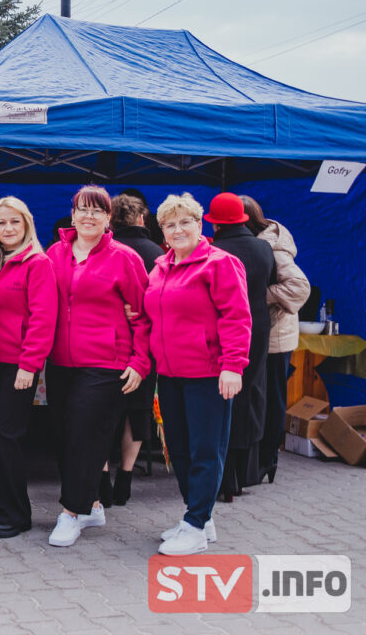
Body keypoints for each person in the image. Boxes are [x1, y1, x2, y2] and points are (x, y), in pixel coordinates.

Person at [44, 185, 150, 548]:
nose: (88, 216)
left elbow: (143, 315)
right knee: (62, 435)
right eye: (82, 210)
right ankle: (91, 505)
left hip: (106, 364)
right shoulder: (54, 254)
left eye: (97, 211)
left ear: (108, 219)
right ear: (72, 215)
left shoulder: (125, 258)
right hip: (60, 362)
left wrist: (139, 361)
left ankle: (70, 514)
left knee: (84, 437)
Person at [145, 192, 251, 555]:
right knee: (180, 448)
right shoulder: (160, 266)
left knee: (207, 448)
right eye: (170, 224)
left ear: (200, 223)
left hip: (208, 373)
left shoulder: (220, 263)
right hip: (170, 373)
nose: (178, 230)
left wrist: (233, 366)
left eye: (185, 222)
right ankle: (200, 517)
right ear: (162, 230)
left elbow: (236, 317)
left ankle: (194, 524)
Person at [0, 197, 57, 538]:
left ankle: (16, 513)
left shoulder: (36, 263)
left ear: (26, 224)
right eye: (1, 223)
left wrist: (30, 365)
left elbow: (43, 319)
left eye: (15, 222)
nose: (8, 229)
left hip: (19, 364)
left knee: (5, 435)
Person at [208, 192, 276, 502]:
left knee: (221, 397)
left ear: (216, 223)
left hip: (223, 328)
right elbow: (271, 282)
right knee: (250, 396)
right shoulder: (263, 248)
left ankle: (223, 477)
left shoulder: (213, 251)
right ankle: (244, 474)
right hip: (258, 328)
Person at [240, 195, 310, 485]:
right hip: (266, 334)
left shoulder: (272, 246)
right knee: (264, 398)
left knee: (270, 399)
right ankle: (264, 460)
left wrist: (259, 297)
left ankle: (268, 459)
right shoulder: (263, 241)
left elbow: (299, 286)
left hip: (275, 337)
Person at [102, 193, 165, 506]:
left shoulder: (105, 252)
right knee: (136, 413)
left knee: (101, 414)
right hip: (146, 346)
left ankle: (102, 477)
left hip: (107, 346)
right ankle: (125, 476)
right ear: (143, 219)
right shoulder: (159, 254)